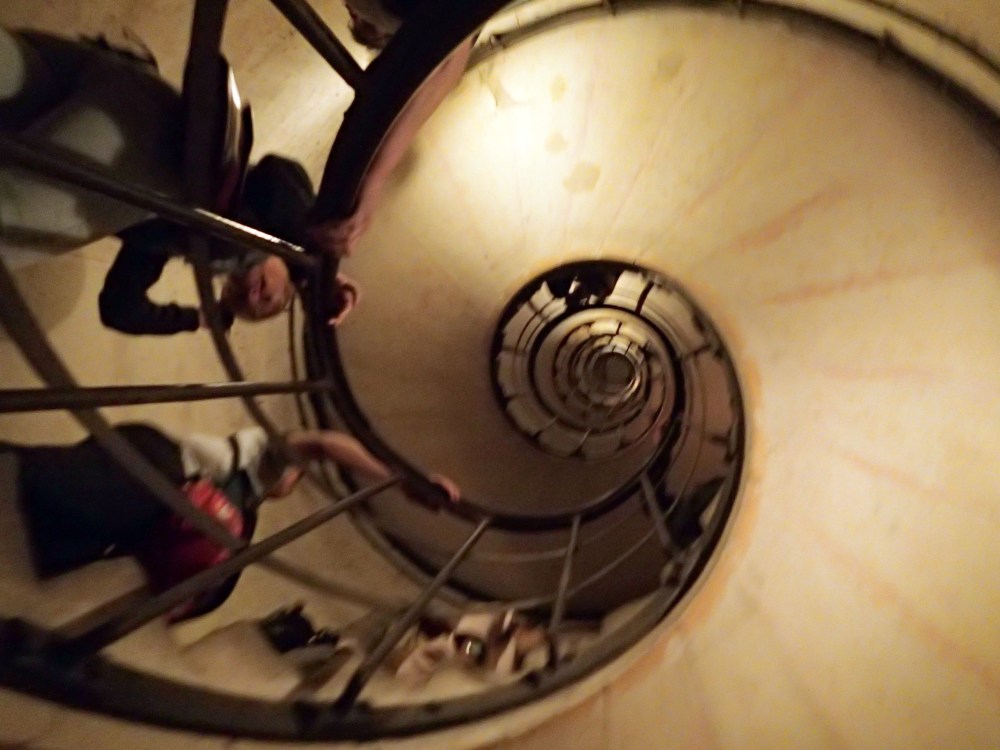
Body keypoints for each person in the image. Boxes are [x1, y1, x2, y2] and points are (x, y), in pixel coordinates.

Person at [0, 28, 358, 333]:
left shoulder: (171, 240)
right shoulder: (255, 216)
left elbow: (119, 309)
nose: (253, 295)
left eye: (243, 301)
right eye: (269, 298)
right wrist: (313, 271)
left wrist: (201, 318)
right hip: (139, 156)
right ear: (288, 274)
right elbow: (278, 178)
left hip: (124, 84)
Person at [0, 422, 459, 621]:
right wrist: (401, 480)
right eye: (294, 472)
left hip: (160, 508)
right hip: (163, 468)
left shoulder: (246, 512)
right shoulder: (258, 455)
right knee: (44, 487)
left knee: (56, 544)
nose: (290, 479)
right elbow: (321, 444)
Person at [308, 0, 476, 257]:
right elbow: (448, 60)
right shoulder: (421, 25)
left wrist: (374, 178)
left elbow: (448, 61)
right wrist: (375, 178)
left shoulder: (412, 21)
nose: (353, 14)